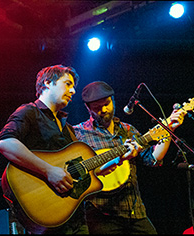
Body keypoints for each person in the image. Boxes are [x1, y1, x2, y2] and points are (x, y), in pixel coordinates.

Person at [73, 81, 186, 234]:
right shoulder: (78, 134)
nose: (104, 110)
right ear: (88, 108)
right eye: (97, 107)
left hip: (134, 211)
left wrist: (169, 129)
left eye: (107, 104)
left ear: (113, 100)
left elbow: (153, 159)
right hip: (100, 215)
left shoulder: (128, 130)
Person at [0, 64, 89, 234]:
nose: (73, 91)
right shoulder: (29, 112)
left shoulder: (68, 128)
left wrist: (114, 161)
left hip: (74, 217)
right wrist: (48, 171)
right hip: (46, 213)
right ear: (47, 82)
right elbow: (5, 143)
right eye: (68, 84)